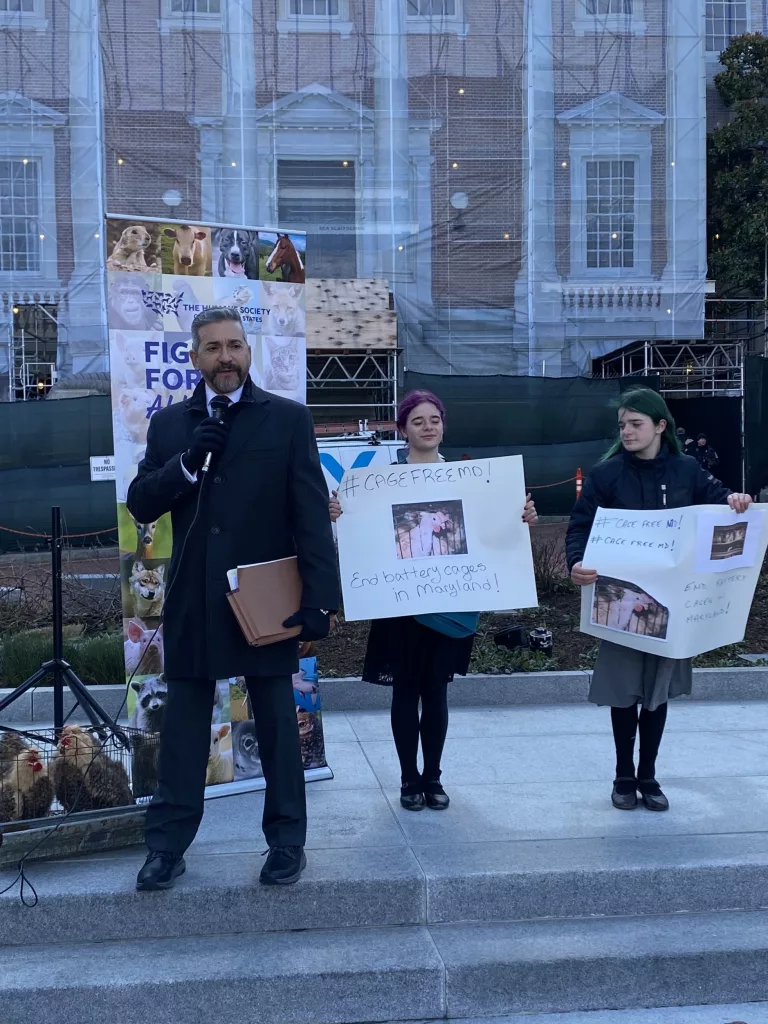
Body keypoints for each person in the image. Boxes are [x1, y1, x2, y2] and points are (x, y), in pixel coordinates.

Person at [127, 307, 338, 891]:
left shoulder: (288, 420)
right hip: (195, 601)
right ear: (195, 358)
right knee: (183, 734)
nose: (226, 357)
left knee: (276, 726)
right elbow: (142, 502)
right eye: (213, 347)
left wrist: (320, 600)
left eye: (236, 345)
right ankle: (167, 846)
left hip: (268, 599)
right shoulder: (172, 425)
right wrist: (187, 464)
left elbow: (310, 516)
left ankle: (287, 842)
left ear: (249, 352)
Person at [330, 390, 538, 811]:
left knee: (437, 693)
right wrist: (340, 515)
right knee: (405, 693)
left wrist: (522, 518)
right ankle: (410, 780)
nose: (428, 427)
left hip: (452, 605)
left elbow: (492, 533)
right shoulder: (377, 485)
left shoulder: (472, 481)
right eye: (418, 420)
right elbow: (363, 537)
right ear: (403, 429)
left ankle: (434, 778)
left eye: (435, 419)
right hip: (400, 607)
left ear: (444, 426)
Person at [566, 388, 751, 813]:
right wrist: (575, 563)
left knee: (656, 693)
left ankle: (648, 775)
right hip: (619, 603)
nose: (627, 432)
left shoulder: (688, 471)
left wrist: (735, 500)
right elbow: (580, 528)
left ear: (660, 426)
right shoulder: (605, 475)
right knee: (623, 692)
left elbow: (721, 502)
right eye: (623, 425)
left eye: (636, 424)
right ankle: (622, 775)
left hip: (672, 607)